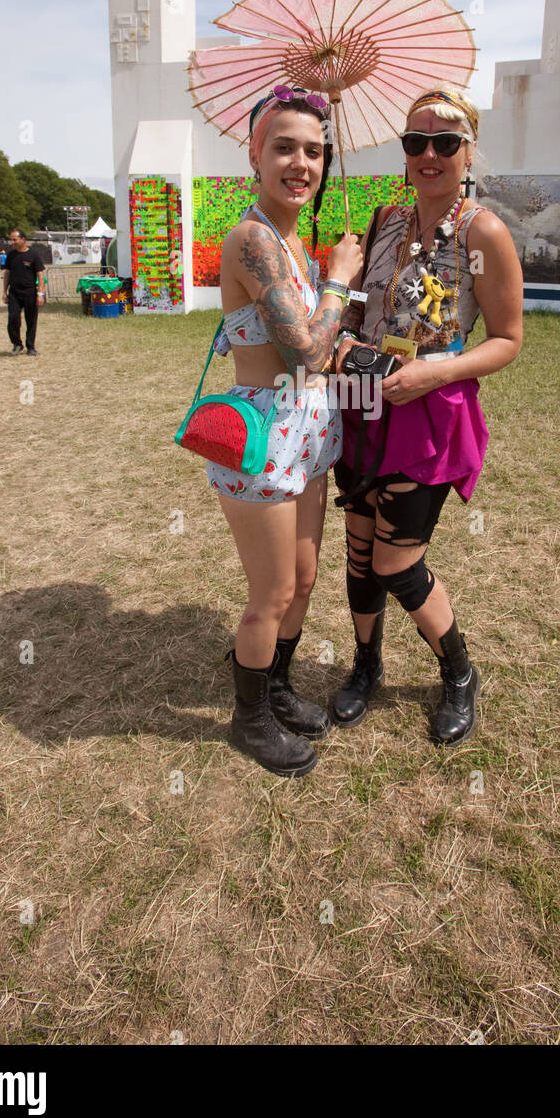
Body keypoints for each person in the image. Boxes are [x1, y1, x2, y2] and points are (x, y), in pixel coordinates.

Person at [331, 85, 523, 746]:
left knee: (396, 563)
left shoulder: (483, 232)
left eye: (445, 141)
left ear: (468, 151)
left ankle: (459, 673)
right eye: (416, 142)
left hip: (426, 412)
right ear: (405, 153)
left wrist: (435, 369)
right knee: (359, 550)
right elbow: (355, 313)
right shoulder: (382, 219)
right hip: (361, 404)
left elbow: (508, 339)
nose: (430, 153)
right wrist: (342, 334)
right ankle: (365, 664)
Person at [207, 85, 363, 777]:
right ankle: (249, 721)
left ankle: (275, 689)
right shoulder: (251, 240)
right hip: (263, 435)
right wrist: (340, 283)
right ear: (255, 155)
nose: (302, 163)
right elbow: (305, 351)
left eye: (315, 151)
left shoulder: (296, 242)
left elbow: (327, 349)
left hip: (308, 430)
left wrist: (336, 287)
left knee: (303, 577)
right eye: (285, 147)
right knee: (270, 594)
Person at [2, 229, 46, 355]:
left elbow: (40, 276)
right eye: (12, 239)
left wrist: (40, 294)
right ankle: (17, 344)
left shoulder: (33, 255)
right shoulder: (11, 255)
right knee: (13, 319)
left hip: (30, 292)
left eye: (15, 239)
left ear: (23, 239)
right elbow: (7, 274)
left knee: (31, 320)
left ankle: (30, 347)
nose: (13, 242)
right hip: (14, 293)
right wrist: (4, 291)